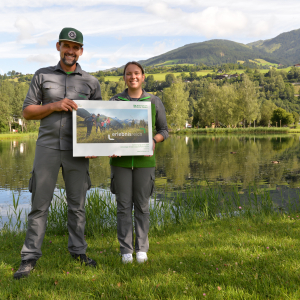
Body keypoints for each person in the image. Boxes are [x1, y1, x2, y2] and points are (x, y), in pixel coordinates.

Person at [13, 27, 102, 280]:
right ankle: (29, 258)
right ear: (58, 47)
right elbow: (27, 112)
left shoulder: (91, 82)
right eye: (66, 46)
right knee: (39, 205)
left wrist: (95, 146)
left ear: (81, 51)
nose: (70, 51)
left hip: (78, 152)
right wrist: (54, 105)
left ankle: (78, 252)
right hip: (47, 148)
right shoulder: (41, 76)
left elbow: (97, 120)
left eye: (75, 47)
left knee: (78, 206)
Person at [109, 61, 168, 264]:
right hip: (120, 163)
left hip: (145, 163)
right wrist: (110, 147)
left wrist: (153, 140)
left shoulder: (154, 101)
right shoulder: (115, 101)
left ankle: (141, 249)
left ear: (143, 76)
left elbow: (164, 131)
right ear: (124, 77)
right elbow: (108, 130)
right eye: (128, 74)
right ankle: (126, 250)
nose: (132, 77)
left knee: (142, 206)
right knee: (123, 207)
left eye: (136, 73)